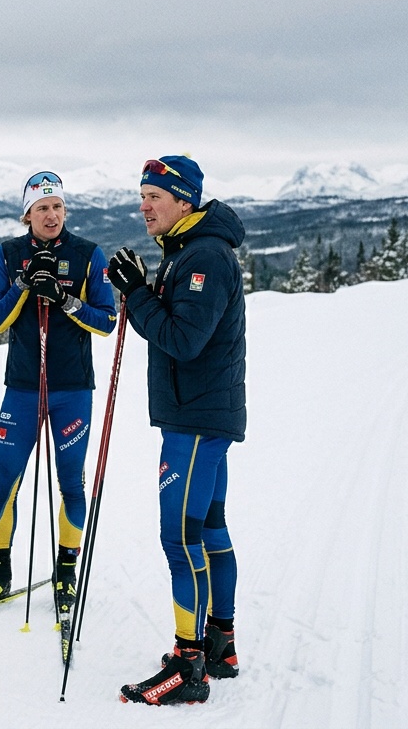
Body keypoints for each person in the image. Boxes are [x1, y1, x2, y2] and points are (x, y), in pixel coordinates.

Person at [105, 155, 246, 705]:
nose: (144, 207)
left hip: (194, 421)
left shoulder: (204, 256)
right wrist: (143, 289)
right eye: (142, 196)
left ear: (184, 201)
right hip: (204, 415)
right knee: (210, 531)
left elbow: (183, 341)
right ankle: (220, 643)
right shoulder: (191, 249)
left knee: (180, 536)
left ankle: (189, 665)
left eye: (154, 197)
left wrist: (139, 293)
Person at [0, 171, 117, 619]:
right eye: (42, 208)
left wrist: (64, 299)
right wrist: (22, 287)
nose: (51, 215)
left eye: (57, 206)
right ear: (27, 215)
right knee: (6, 479)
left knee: (71, 482)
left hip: (72, 388)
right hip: (22, 387)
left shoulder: (87, 254)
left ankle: (66, 573)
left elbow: (107, 320)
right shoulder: (9, 253)